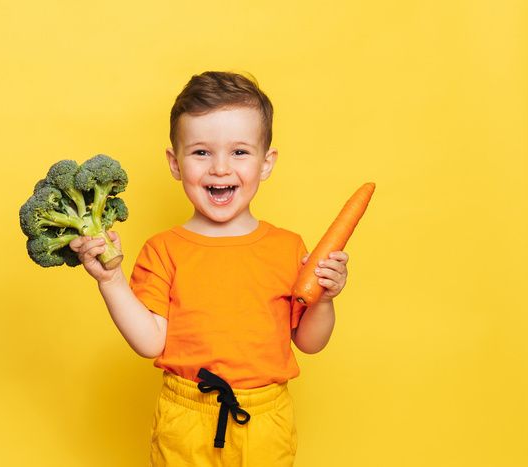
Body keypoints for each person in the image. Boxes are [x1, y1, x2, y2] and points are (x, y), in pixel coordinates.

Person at [69, 71, 349, 466]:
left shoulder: (288, 247)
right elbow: (150, 342)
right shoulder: (163, 249)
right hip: (185, 420)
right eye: (201, 152)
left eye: (239, 152)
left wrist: (325, 299)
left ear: (266, 163)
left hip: (265, 421)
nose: (220, 168)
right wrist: (111, 280)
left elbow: (309, 342)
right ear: (175, 162)